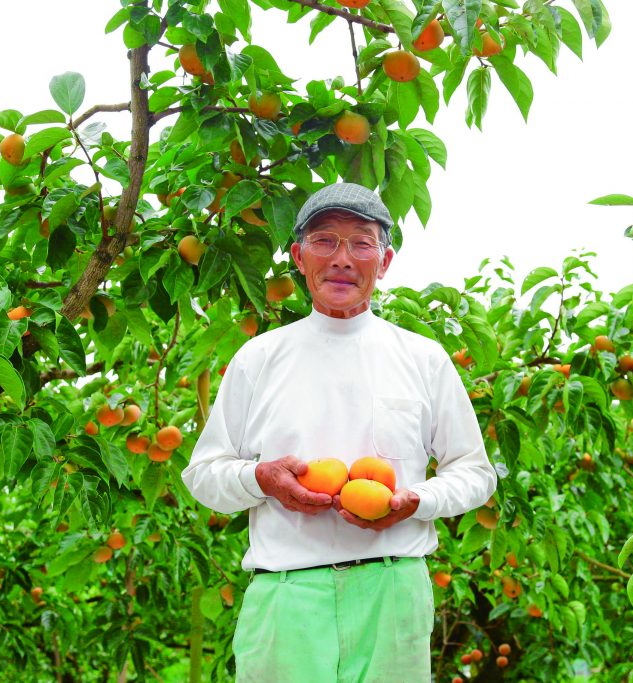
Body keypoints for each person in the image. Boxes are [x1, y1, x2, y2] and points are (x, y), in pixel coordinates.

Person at [182, 183, 497, 682]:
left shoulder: (422, 358)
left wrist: (417, 499)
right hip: (286, 595)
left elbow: (475, 474)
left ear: (386, 260)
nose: (342, 259)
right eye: (325, 241)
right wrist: (260, 478)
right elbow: (203, 476)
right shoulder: (259, 358)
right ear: (298, 257)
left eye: (361, 243)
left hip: (393, 592)